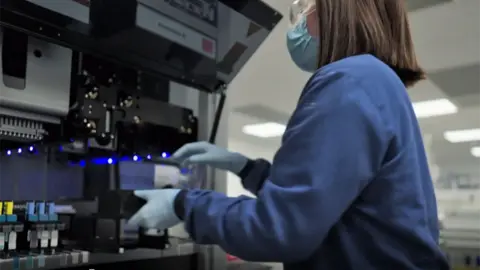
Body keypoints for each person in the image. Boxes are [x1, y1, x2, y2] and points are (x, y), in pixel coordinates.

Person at [128, 0, 450, 269]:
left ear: (336, 10)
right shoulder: (374, 80)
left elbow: (280, 228)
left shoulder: (349, 81)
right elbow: (318, 200)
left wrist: (184, 204)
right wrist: (244, 167)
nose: (296, 21)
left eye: (304, 6)